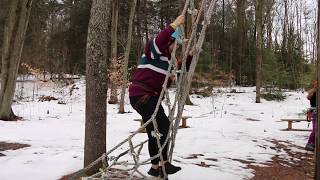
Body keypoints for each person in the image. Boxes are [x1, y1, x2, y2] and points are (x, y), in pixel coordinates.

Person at [129, 15, 194, 177]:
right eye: (175, 45)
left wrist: (191, 55)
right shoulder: (154, 50)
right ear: (169, 42)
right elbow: (160, 40)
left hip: (149, 97)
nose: (176, 48)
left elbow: (180, 67)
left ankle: (155, 167)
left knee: (154, 131)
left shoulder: (167, 60)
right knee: (164, 124)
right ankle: (164, 164)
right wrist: (174, 25)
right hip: (142, 95)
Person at [305, 80, 317, 151]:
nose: (316, 85)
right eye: (315, 83)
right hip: (314, 112)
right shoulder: (312, 92)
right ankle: (310, 143)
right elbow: (309, 98)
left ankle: (314, 143)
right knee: (315, 129)